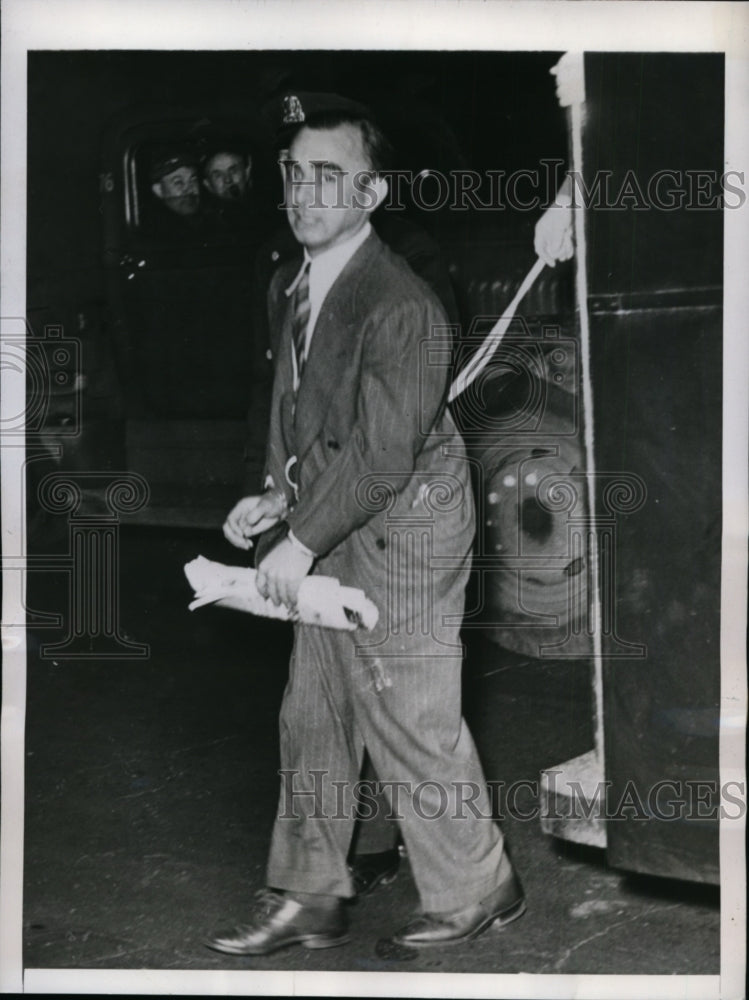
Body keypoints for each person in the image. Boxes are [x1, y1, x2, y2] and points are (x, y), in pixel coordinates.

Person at [207, 92, 529, 957]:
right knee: (311, 711)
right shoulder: (292, 280)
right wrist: (275, 496)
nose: (304, 194)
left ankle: (478, 883)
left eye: (327, 177)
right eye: (292, 175)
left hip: (410, 523)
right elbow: (299, 408)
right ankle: (310, 894)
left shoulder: (405, 302)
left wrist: (302, 540)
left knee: (405, 711)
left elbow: (385, 454)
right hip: (339, 511)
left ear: (372, 193)